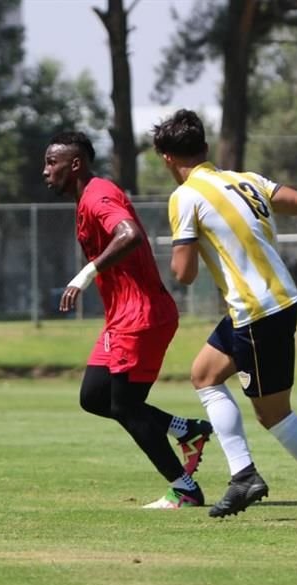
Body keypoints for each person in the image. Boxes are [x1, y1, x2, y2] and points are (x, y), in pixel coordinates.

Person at [152, 109, 297, 520]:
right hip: (267, 304)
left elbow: (184, 273)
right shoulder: (248, 181)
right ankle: (243, 473)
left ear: (166, 159)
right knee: (205, 375)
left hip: (258, 312)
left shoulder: (184, 197)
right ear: (205, 149)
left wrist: (181, 249)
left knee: (273, 415)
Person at [43, 131, 213, 510]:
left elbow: (130, 234)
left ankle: (184, 488)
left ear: (76, 164)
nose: (45, 171)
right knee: (94, 397)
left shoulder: (98, 194)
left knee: (124, 406)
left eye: (52, 162)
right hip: (123, 316)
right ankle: (187, 430)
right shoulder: (87, 197)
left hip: (140, 316)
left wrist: (86, 273)